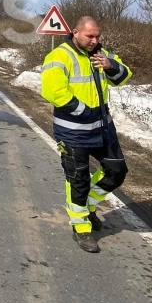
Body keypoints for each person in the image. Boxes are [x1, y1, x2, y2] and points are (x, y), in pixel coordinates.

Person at [40, 16, 132, 253]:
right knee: (78, 179)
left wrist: (111, 65)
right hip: (73, 132)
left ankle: (88, 206)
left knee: (117, 171)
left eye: (97, 36)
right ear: (75, 33)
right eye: (90, 36)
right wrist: (84, 111)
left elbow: (123, 78)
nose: (94, 40)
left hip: (102, 129)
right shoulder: (59, 56)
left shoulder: (102, 54)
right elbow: (53, 91)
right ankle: (81, 228)